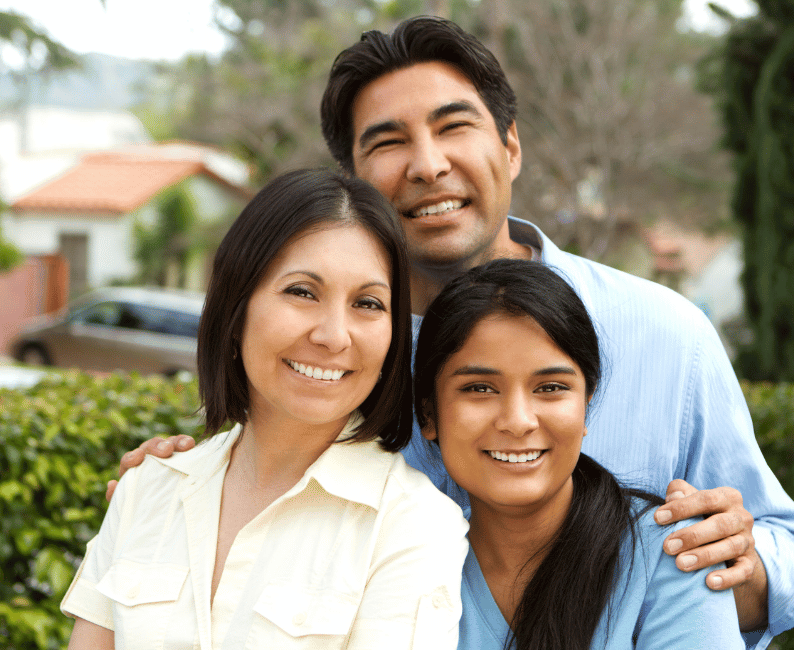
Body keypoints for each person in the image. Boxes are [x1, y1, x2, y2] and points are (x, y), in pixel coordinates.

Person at [114, 16, 794, 647]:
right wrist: (184, 490)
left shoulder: (662, 333)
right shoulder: (335, 359)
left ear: (511, 146)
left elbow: (777, 539)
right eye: (387, 142)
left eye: (454, 127)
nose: (427, 165)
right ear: (355, 184)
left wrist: (735, 569)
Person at [62, 168, 468, 649]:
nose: (334, 335)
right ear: (237, 307)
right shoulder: (148, 489)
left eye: (368, 303)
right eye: (302, 292)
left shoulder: (413, 526)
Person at [415, 258, 744, 649]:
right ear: (429, 414)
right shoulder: (408, 563)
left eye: (550, 387)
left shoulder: (671, 554)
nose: (518, 421)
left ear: (585, 406)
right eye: (480, 389)